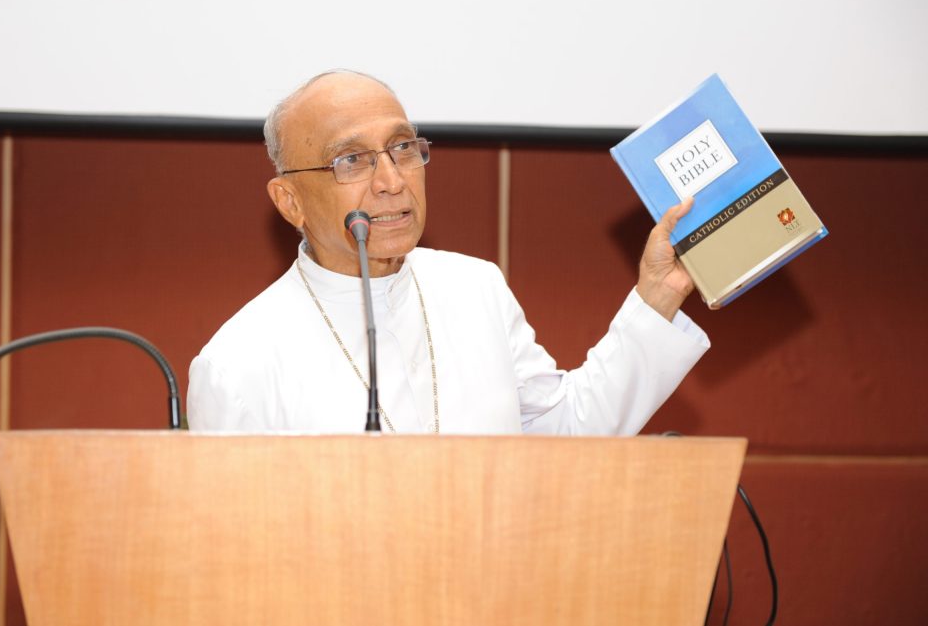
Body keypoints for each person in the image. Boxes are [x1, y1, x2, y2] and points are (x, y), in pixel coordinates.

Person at [187, 70, 709, 434]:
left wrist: (657, 296)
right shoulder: (238, 365)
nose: (392, 181)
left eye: (402, 149)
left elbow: (563, 434)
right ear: (290, 201)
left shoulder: (474, 288)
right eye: (352, 160)